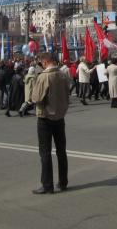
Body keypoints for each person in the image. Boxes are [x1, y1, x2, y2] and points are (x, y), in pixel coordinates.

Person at [30, 52, 69, 194]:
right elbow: (67, 94)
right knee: (61, 151)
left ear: (45, 62)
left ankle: (47, 185)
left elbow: (36, 98)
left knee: (45, 152)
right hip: (60, 116)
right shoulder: (63, 75)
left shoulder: (44, 76)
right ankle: (63, 182)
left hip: (45, 117)